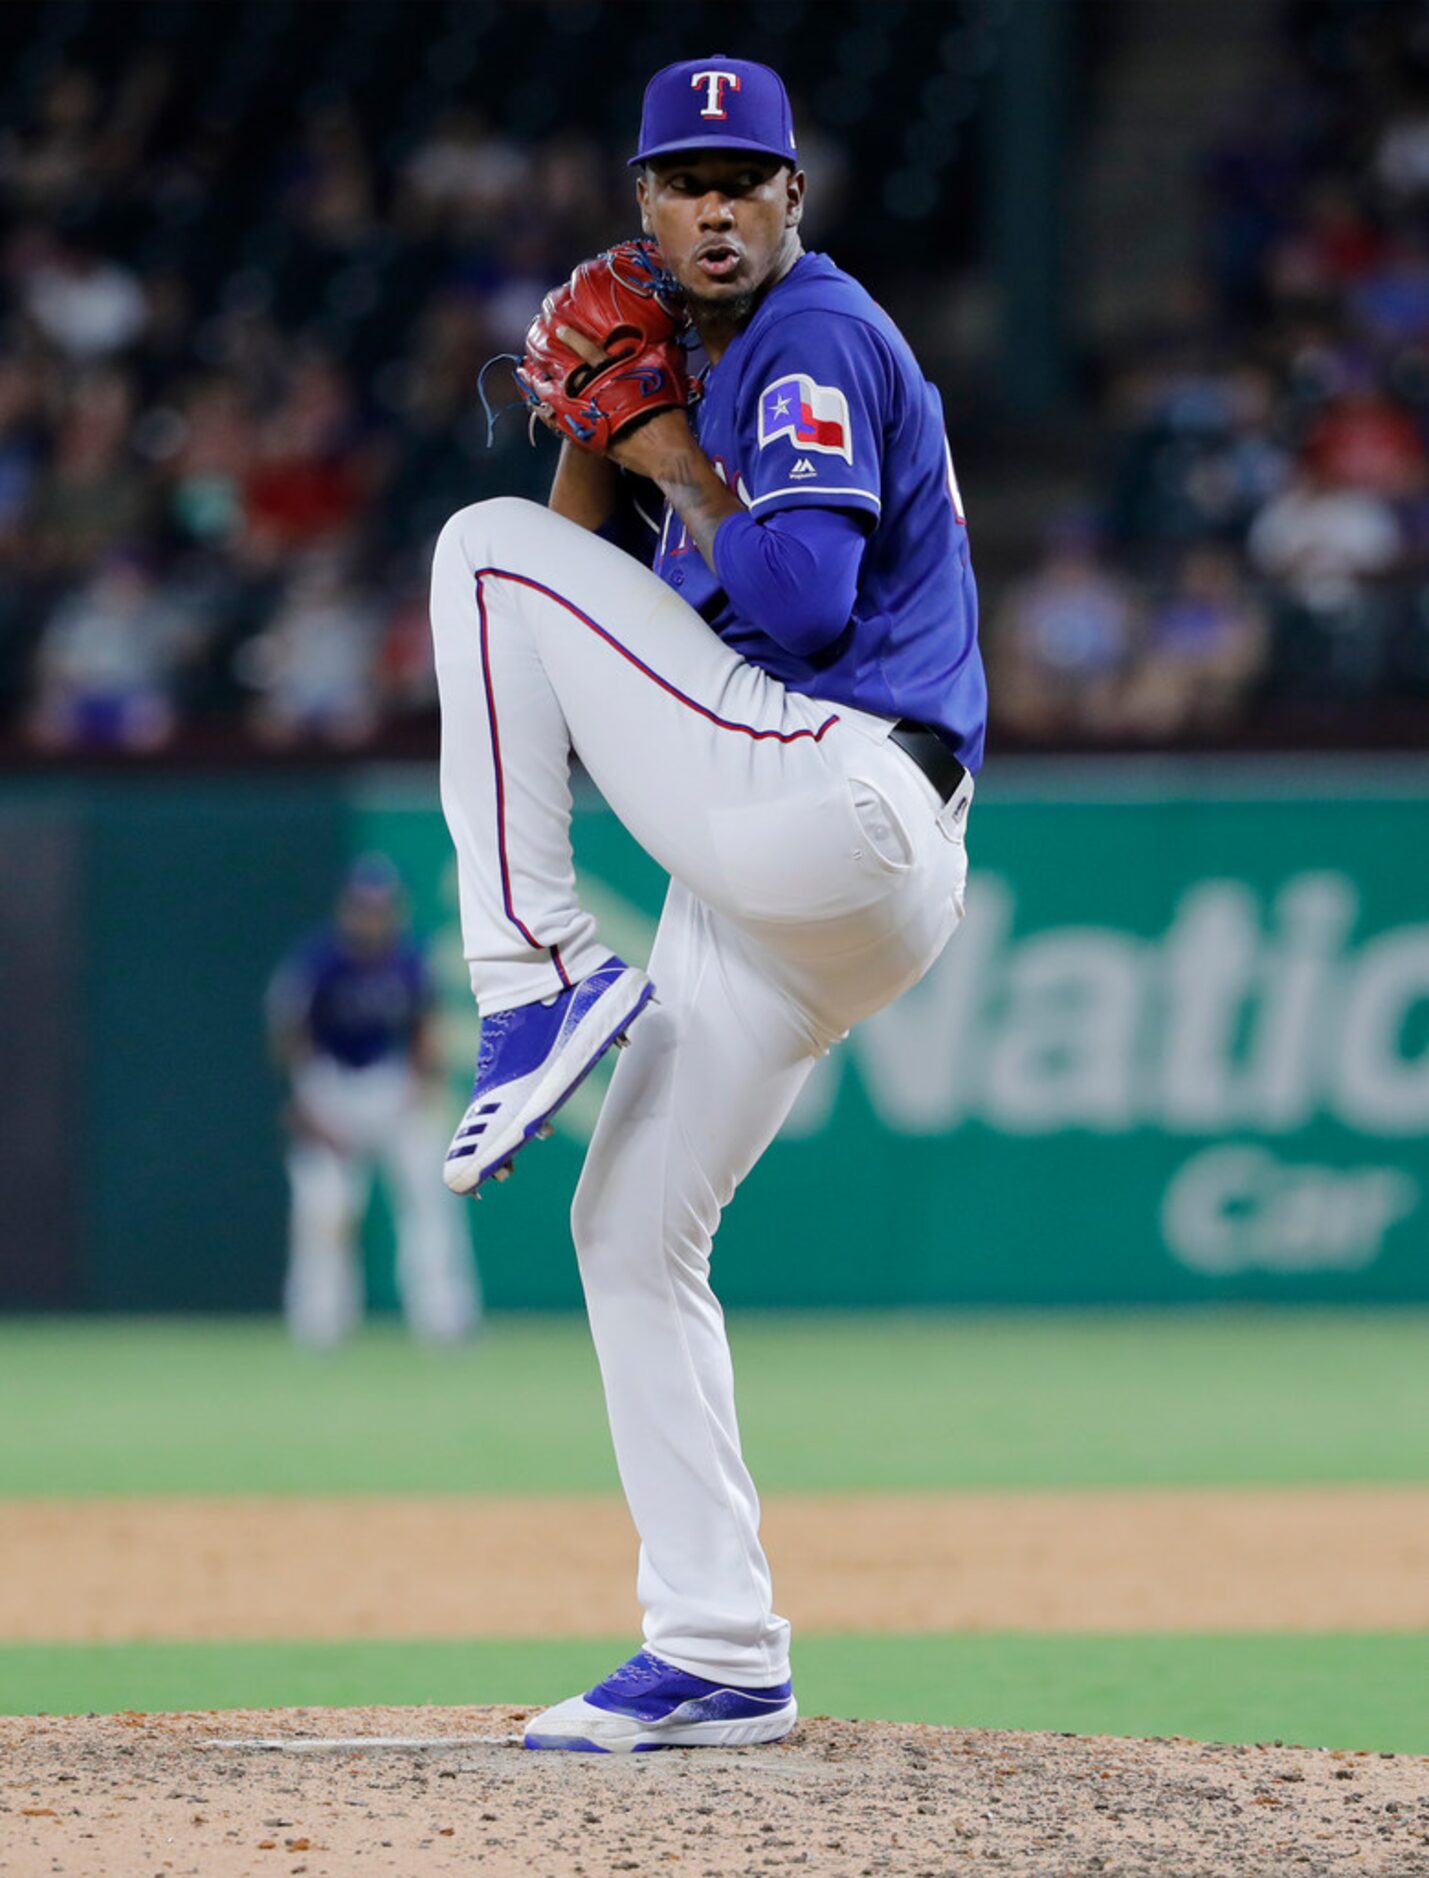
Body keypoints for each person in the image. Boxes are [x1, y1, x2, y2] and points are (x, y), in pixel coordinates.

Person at [428, 57, 984, 1751]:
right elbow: (571, 614)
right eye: (684, 179)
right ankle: (720, 1645)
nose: (717, 204)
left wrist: (658, 439)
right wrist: (594, 433)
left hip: (830, 786)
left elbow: (802, 599)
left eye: (748, 176)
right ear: (643, 205)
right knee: (627, 1228)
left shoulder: (804, 339)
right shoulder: (696, 359)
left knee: (466, 552)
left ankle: (531, 975)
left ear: (793, 200)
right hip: (807, 873)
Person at [267, 855, 481, 1349]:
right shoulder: (319, 962)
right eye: (364, 907)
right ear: (347, 909)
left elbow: (427, 1032)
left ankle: (445, 1319)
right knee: (325, 1207)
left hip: (392, 1086)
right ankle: (319, 1325)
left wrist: (422, 1088)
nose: (372, 917)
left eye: (381, 907)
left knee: (431, 1198)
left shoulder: (409, 960)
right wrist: (305, 1101)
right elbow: (288, 1033)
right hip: (330, 1085)